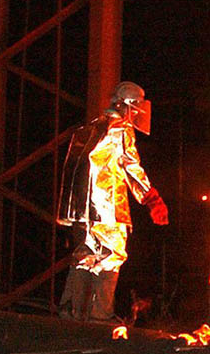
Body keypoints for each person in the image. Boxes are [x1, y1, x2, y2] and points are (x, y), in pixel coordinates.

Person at [56, 81, 168, 321]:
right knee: (111, 258)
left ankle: (71, 311)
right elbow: (131, 166)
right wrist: (152, 200)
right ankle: (100, 315)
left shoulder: (88, 129)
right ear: (130, 106)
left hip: (80, 213)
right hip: (107, 209)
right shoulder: (120, 130)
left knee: (84, 258)